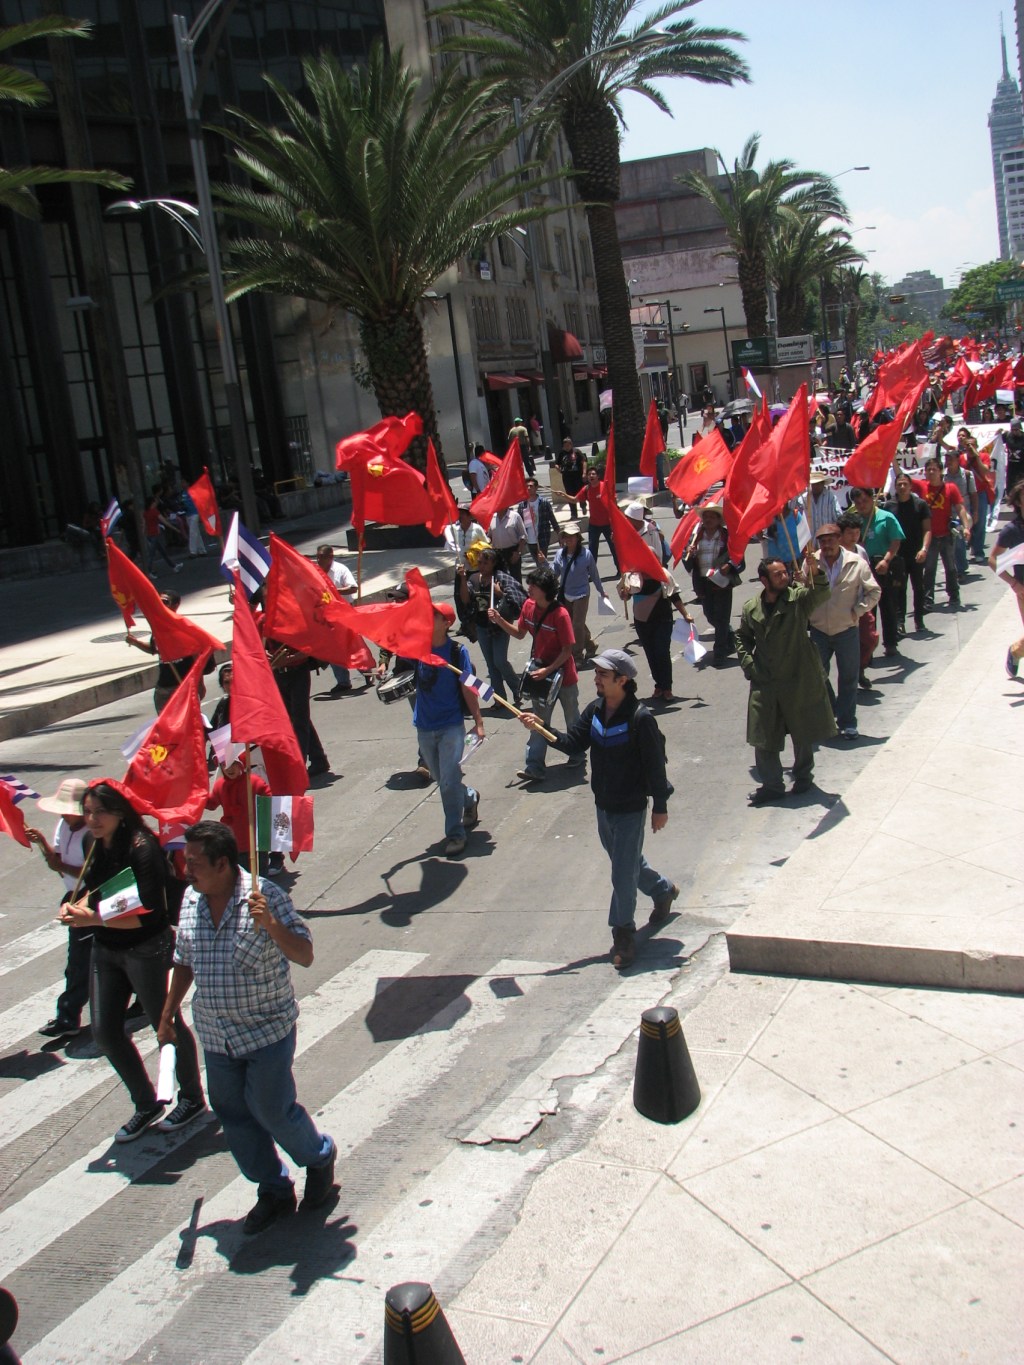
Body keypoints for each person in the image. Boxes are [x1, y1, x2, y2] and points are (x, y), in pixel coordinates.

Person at [158, 822, 336, 1236]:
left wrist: (271, 924)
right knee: (234, 1114)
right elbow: (183, 960)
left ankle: (318, 1156)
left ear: (222, 864)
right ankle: (272, 1188)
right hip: (216, 1034)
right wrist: (168, 1013)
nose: (186, 869)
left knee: (272, 1110)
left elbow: (304, 954)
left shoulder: (265, 896)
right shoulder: (191, 899)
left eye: (195, 863)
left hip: (266, 1032)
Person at [61, 782, 205, 1141]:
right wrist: (75, 906)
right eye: (87, 812)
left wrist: (92, 918)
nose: (92, 819)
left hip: (146, 947)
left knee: (165, 1023)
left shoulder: (143, 848)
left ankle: (191, 1096)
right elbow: (93, 891)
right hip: (105, 948)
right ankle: (145, 1102)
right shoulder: (93, 843)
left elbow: (148, 912)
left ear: (120, 813)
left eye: (100, 812)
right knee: (105, 1032)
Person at [518, 648, 677, 969]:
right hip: (603, 806)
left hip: (631, 808)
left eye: (603, 675)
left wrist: (660, 807)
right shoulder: (595, 711)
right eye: (597, 674)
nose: (596, 679)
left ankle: (623, 934)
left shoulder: (640, 719)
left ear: (622, 680)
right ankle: (663, 891)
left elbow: (655, 767)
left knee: (622, 873)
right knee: (627, 863)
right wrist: (542, 728)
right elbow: (573, 743)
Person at [735, 555, 838, 804]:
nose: (784, 577)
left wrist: (816, 571)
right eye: (778, 574)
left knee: (802, 731)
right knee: (763, 735)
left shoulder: (798, 598)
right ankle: (772, 785)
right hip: (765, 681)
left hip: (797, 676)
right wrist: (749, 665)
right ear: (764, 580)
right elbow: (742, 638)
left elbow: (821, 593)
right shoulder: (751, 607)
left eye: (785, 572)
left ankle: (804, 776)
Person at [487, 565, 581, 782]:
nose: (528, 588)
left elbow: (568, 650)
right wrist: (499, 620)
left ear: (545, 589)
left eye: (533, 585)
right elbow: (520, 633)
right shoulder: (528, 606)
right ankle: (534, 766)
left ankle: (576, 753)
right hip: (540, 675)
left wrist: (548, 669)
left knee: (572, 718)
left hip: (564, 676)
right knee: (537, 721)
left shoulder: (561, 614)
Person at [413, 602, 485, 856]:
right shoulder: (417, 647)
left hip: (451, 726)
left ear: (446, 623)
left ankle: (455, 834)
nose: (428, 618)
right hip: (424, 726)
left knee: (447, 782)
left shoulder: (457, 652)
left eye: (434, 615)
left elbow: (469, 687)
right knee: (442, 779)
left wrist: (478, 722)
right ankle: (469, 797)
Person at [25, 778, 93, 1038]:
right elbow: (58, 862)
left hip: (89, 898)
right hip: (72, 896)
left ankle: (68, 1016)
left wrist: (60, 865)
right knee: (84, 960)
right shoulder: (63, 826)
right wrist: (42, 843)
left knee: (79, 961)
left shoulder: (91, 833)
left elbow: (88, 871)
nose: (64, 815)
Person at [808, 524, 881, 740]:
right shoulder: (811, 562)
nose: (827, 545)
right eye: (823, 541)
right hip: (819, 629)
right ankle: (832, 711)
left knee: (849, 678)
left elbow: (874, 591)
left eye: (831, 540)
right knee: (817, 675)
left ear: (839, 539)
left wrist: (857, 611)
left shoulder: (856, 562)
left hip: (846, 629)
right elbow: (802, 590)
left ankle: (848, 722)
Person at [621, 503, 693, 702]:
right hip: (642, 621)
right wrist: (625, 592)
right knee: (651, 654)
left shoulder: (664, 576)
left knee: (662, 651)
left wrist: (685, 614)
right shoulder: (633, 577)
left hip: (662, 618)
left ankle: (667, 687)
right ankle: (658, 686)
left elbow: (674, 595)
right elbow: (626, 595)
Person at [455, 543, 525, 703]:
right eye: (479, 562)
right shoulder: (474, 579)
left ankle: (518, 689)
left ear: (494, 563)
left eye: (486, 563)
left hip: (500, 626)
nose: (481, 566)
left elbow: (516, 598)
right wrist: (463, 578)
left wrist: (500, 593)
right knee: (491, 665)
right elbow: (465, 599)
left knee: (500, 661)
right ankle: (500, 700)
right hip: (482, 626)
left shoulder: (501, 578)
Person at [125, 590, 215, 713]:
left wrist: (199, 684)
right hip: (162, 689)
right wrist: (135, 642)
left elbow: (197, 659)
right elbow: (154, 649)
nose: (160, 605)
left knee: (188, 722)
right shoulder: (158, 628)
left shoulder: (183, 628)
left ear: (176, 605)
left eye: (165, 602)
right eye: (158, 601)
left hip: (183, 686)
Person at [682, 502, 740, 664]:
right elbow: (686, 559)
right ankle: (729, 636)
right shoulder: (696, 537)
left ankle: (719, 653)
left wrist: (729, 565)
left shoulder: (726, 536)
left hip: (721, 582)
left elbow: (738, 555)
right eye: (705, 517)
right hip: (703, 582)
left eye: (712, 517)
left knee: (722, 617)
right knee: (710, 615)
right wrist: (689, 553)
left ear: (718, 519)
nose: (708, 520)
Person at [908, 455, 967, 611]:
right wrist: (893, 459)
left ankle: (954, 595)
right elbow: (902, 477)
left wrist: (966, 527)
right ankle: (928, 599)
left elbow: (960, 508)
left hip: (947, 535)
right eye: (928, 470)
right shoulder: (921, 486)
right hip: (929, 537)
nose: (931, 472)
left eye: (934, 469)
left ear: (941, 471)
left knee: (951, 568)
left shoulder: (951, 488)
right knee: (929, 569)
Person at [849, 488, 904, 657]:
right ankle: (868, 648)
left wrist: (886, 560)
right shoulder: (854, 521)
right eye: (858, 503)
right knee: (866, 610)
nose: (862, 505)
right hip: (863, 569)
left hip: (883, 568)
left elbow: (896, 541)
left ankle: (891, 643)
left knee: (888, 606)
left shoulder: (886, 518)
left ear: (872, 499)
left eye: (865, 501)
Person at [207, 755, 272, 874]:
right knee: (239, 877)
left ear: (241, 764)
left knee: (260, 876)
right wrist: (197, 794)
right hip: (234, 841)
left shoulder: (254, 782)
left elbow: (270, 802)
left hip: (255, 841)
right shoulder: (220, 785)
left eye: (233, 764)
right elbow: (211, 804)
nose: (229, 769)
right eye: (224, 765)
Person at [884, 473, 932, 635]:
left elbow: (927, 529)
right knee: (899, 589)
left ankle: (919, 620)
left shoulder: (920, 505)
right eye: (899, 484)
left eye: (905, 484)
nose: (902, 487)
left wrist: (924, 549)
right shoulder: (888, 506)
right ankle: (900, 623)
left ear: (911, 486)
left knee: (918, 587)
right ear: (895, 487)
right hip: (898, 556)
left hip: (917, 554)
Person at [551, 521, 604, 665]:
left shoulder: (586, 555)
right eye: (566, 536)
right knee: (575, 623)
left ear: (578, 538)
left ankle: (577, 656)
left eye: (572, 536)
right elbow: (554, 573)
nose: (568, 539)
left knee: (577, 625)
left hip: (581, 594)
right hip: (566, 594)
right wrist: (543, 564)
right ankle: (590, 645)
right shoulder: (559, 554)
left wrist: (601, 591)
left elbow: (594, 574)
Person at [315, 543, 360, 696]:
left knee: (352, 644)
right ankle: (343, 682)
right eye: (317, 557)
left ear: (331, 557)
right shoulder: (315, 572)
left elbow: (353, 588)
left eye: (322, 557)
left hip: (345, 613)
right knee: (333, 648)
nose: (319, 560)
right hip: (327, 616)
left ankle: (366, 670)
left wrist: (334, 591)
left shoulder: (341, 570)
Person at [990, 478, 1024, 678]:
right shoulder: (1012, 530)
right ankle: (1015, 652)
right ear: (1018, 502)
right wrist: (1013, 583)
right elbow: (993, 559)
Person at [571, 465, 618, 570]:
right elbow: (574, 500)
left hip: (608, 524)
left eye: (593, 474)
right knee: (592, 551)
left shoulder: (605, 486)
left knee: (614, 548)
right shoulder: (586, 489)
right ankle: (591, 572)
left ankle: (620, 570)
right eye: (589, 474)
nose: (591, 476)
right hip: (594, 525)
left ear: (598, 476)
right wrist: (563, 495)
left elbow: (613, 502)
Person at [518, 478, 559, 564]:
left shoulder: (544, 502)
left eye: (531, 486)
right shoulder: (522, 505)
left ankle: (546, 572)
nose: (529, 488)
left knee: (542, 562)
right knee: (538, 563)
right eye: (527, 486)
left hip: (542, 537)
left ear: (536, 488)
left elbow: (552, 518)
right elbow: (519, 523)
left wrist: (559, 534)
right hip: (530, 540)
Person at [143, 494, 181, 576]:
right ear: (152, 503)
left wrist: (144, 534)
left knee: (161, 552)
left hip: (149, 534)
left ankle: (173, 566)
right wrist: (175, 528)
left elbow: (144, 525)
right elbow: (164, 521)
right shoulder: (155, 512)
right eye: (155, 501)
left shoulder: (146, 513)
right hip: (155, 534)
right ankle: (148, 571)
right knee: (152, 554)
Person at [487, 504, 528, 581]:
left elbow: (523, 536)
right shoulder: (493, 518)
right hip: (498, 553)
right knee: (500, 579)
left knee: (515, 578)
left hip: (512, 552)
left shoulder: (515, 516)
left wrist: (518, 552)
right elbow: (490, 535)